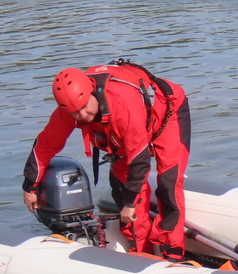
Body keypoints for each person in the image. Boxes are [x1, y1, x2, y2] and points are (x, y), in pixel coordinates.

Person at [22, 60, 191, 260]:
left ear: (91, 92)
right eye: (74, 111)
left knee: (168, 182)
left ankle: (171, 250)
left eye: (84, 107)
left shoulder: (121, 106)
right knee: (121, 186)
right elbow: (44, 146)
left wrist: (130, 204)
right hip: (121, 132)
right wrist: (30, 186)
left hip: (167, 113)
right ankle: (140, 250)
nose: (82, 115)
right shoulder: (69, 111)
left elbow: (140, 160)